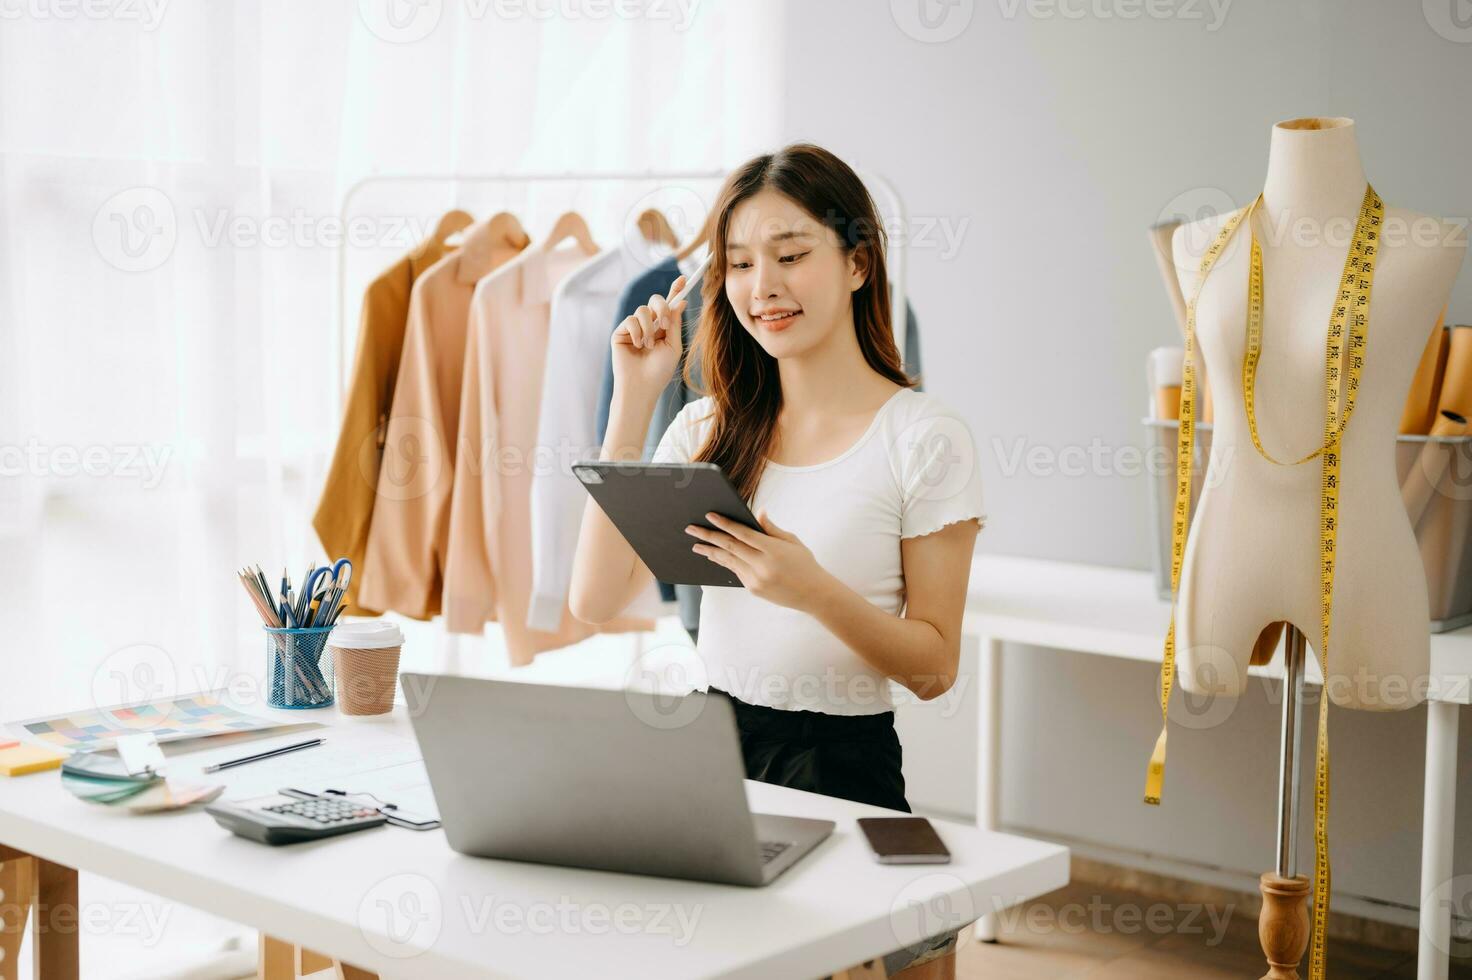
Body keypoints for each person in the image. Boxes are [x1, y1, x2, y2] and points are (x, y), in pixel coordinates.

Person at [569, 142, 985, 978]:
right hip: (712, 751)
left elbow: (935, 666)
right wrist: (635, 398)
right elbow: (593, 595)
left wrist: (812, 591)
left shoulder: (924, 436)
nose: (764, 286)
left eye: (792, 256)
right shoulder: (707, 431)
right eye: (740, 264)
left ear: (859, 263)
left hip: (846, 763)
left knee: (910, 949)